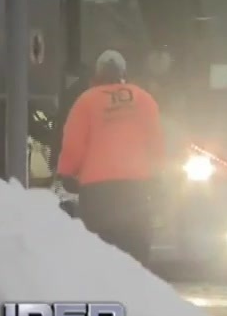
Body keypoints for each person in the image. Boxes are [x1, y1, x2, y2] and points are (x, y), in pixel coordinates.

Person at [55, 50, 165, 264]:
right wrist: (158, 175)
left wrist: (67, 173)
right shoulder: (144, 99)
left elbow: (73, 143)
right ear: (125, 73)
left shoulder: (86, 101)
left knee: (101, 251)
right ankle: (136, 292)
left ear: (97, 74)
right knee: (136, 249)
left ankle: (107, 291)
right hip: (137, 189)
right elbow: (156, 142)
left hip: (98, 192)